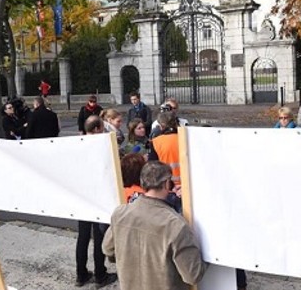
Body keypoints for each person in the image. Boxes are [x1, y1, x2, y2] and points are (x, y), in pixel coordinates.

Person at [103, 161, 207, 290]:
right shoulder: (176, 225)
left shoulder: (120, 214)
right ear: (166, 184)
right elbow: (193, 275)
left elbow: (108, 250)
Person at [74, 116, 118, 287]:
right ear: (99, 128)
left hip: (82, 195)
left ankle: (81, 274)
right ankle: (100, 274)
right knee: (99, 235)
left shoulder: (78, 144)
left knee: (83, 236)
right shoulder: (102, 145)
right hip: (98, 195)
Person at [149, 111, 182, 186]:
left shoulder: (156, 142)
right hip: (187, 183)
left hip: (166, 185)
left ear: (161, 126)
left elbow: (152, 166)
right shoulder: (185, 138)